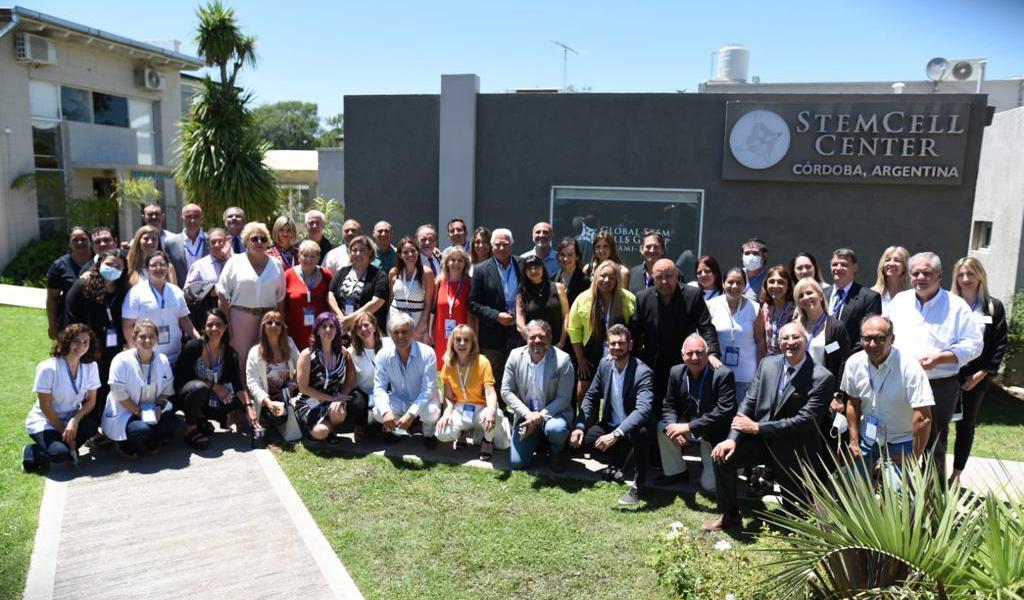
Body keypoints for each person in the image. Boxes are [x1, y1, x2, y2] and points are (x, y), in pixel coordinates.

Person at [705, 322, 833, 531]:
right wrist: (731, 439)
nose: (790, 342)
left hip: (795, 450)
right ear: (779, 342)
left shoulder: (822, 378)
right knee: (722, 457)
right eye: (785, 338)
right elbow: (748, 403)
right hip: (762, 443)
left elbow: (804, 421)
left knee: (797, 520)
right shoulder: (767, 364)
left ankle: (801, 511)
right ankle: (730, 516)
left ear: (806, 341)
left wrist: (758, 427)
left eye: (796, 337)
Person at [888, 251, 983, 482]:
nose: (920, 278)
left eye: (927, 273)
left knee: (935, 443)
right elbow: (886, 334)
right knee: (897, 437)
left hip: (939, 385)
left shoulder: (957, 306)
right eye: (915, 273)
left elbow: (974, 344)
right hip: (900, 382)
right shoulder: (899, 301)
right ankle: (896, 492)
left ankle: (933, 497)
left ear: (939, 276)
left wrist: (941, 358)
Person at [843, 316, 934, 486]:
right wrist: (854, 441)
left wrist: (913, 457)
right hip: (867, 439)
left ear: (892, 339)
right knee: (853, 489)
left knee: (895, 494)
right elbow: (853, 404)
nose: (872, 344)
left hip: (900, 442)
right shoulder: (854, 363)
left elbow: (923, 418)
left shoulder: (909, 367)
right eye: (867, 338)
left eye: (880, 338)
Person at [570, 324, 654, 505]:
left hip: (632, 428)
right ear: (607, 346)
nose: (616, 347)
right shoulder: (605, 365)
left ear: (630, 345)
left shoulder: (643, 372)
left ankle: (639, 485)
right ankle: (623, 455)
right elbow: (591, 396)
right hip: (610, 424)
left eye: (621, 343)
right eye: (612, 343)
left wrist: (616, 434)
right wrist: (580, 426)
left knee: (642, 433)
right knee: (584, 442)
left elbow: (643, 410)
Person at [630, 258, 720, 414]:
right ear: (652, 279)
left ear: (677, 275)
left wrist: (712, 353)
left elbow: (706, 327)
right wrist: (627, 356)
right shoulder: (642, 298)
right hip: (653, 365)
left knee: (683, 411)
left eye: (669, 276)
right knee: (653, 412)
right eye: (659, 277)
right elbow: (634, 333)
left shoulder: (693, 295)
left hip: (684, 364)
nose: (664, 281)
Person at [950, 257, 1008, 483]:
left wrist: (980, 375)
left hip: (977, 376)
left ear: (980, 276)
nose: (966, 279)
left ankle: (956, 475)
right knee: (936, 424)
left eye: (971, 274)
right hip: (948, 373)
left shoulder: (993, 307)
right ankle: (931, 472)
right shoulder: (949, 304)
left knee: (966, 426)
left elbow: (999, 345)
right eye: (961, 274)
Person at [656, 334, 737, 489]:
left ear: (707, 354)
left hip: (714, 434)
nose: (695, 358)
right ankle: (676, 472)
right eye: (690, 353)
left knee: (710, 486)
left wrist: (687, 427)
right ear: (682, 356)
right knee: (663, 427)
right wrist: (673, 430)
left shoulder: (723, 374)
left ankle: (734, 466)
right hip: (690, 427)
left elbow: (723, 412)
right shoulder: (676, 372)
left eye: (699, 353)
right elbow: (669, 405)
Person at [23, 324, 101, 472]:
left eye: (86, 342)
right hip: (46, 421)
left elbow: (91, 401)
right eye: (76, 341)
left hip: (70, 419)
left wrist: (75, 420)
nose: (81, 346)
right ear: (66, 342)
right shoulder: (48, 368)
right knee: (60, 455)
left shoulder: (91, 366)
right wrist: (63, 430)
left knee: (92, 424)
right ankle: (32, 451)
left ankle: (66, 447)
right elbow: (45, 406)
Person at [63, 250, 130, 420]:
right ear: (99, 264)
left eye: (118, 266)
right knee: (91, 386)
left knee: (110, 383)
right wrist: (78, 345)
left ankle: (107, 422)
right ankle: (89, 423)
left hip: (114, 347)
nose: (113, 268)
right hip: (88, 348)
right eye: (109, 264)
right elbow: (71, 319)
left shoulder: (124, 290)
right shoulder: (83, 286)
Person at [501, 319, 575, 471]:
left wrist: (539, 416)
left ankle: (556, 451)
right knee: (517, 463)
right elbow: (506, 391)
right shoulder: (515, 356)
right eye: (532, 337)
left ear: (550, 338)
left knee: (556, 429)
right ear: (526, 338)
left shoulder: (563, 360)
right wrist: (527, 414)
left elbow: (564, 398)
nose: (537, 341)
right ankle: (537, 439)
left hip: (554, 415)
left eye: (542, 336)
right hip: (526, 416)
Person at [174, 309, 253, 449]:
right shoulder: (193, 347)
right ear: (204, 327)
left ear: (226, 327)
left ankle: (202, 418)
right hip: (188, 395)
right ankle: (191, 429)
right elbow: (181, 379)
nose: (214, 328)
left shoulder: (230, 353)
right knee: (199, 389)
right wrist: (214, 386)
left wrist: (249, 408)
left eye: (219, 324)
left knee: (239, 400)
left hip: (212, 397)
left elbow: (237, 384)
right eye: (210, 325)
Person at [793, 277, 851, 463]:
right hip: (800, 392)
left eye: (809, 292)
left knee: (825, 442)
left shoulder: (835, 327)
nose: (806, 298)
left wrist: (838, 395)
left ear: (820, 295)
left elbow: (843, 362)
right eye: (801, 295)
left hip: (826, 393)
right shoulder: (796, 326)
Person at [216, 222, 287, 373]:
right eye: (254, 239)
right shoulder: (234, 262)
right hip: (240, 320)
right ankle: (242, 389)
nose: (259, 242)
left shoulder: (276, 264)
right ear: (246, 241)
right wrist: (227, 325)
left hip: (268, 321)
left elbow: (280, 298)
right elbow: (222, 295)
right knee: (241, 361)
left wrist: (281, 323)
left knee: (266, 360)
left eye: (263, 239)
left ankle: (264, 388)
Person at [104, 319, 178, 458]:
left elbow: (167, 389)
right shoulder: (121, 360)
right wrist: (139, 412)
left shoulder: (162, 359)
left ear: (157, 339)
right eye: (142, 336)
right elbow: (118, 393)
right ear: (134, 338)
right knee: (141, 430)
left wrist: (159, 407)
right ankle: (124, 445)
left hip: (151, 408)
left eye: (151, 336)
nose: (147, 340)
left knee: (172, 423)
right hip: (126, 411)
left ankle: (149, 442)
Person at [436, 325, 511, 459]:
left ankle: (487, 440)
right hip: (460, 409)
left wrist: (492, 410)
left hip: (481, 408)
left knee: (501, 440)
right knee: (441, 433)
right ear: (452, 343)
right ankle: (463, 432)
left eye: (466, 340)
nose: (462, 343)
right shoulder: (448, 364)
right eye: (458, 340)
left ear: (472, 343)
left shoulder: (482, 361)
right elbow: (448, 397)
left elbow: (490, 391)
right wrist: (446, 413)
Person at [568, 260, 637, 402]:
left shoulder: (628, 298)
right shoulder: (583, 299)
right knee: (583, 394)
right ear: (596, 276)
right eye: (603, 276)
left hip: (620, 353)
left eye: (612, 277)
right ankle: (585, 418)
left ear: (618, 279)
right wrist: (580, 359)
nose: (607, 280)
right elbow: (574, 330)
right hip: (590, 354)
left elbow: (635, 329)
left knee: (619, 396)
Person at [295, 312, 366, 440]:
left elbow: (350, 378)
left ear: (337, 330)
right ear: (317, 331)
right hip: (309, 401)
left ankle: (329, 430)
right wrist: (331, 398)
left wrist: (340, 397)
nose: (328, 329)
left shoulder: (342, 352)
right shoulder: (307, 354)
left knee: (339, 413)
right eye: (324, 326)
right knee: (321, 432)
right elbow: (303, 388)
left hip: (333, 399)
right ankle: (317, 430)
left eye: (332, 326)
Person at [372, 313, 441, 442]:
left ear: (413, 332)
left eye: (404, 331)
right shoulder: (383, 355)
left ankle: (429, 434)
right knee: (378, 412)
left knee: (431, 413)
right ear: (390, 335)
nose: (400, 336)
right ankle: (398, 431)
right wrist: (386, 412)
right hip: (400, 398)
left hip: (424, 399)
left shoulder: (427, 353)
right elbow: (379, 388)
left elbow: (428, 390)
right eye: (396, 332)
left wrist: (411, 414)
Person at [122, 251, 195, 366]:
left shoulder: (176, 291)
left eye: (162, 264)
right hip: (147, 358)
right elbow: (127, 324)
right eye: (153, 265)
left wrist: (198, 339)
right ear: (147, 269)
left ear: (167, 267)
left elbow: (184, 320)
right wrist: (135, 349)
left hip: (175, 356)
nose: (158, 268)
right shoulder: (136, 292)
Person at [469, 228, 521, 378]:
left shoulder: (522, 265)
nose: (501, 248)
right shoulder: (481, 270)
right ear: (492, 246)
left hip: (519, 334)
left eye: (505, 244)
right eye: (497, 245)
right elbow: (473, 303)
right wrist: (496, 316)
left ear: (511, 245)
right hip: (492, 336)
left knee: (518, 378)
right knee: (492, 379)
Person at [246, 311, 302, 440]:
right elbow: (252, 382)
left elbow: (301, 367)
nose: (273, 326)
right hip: (267, 400)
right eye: (269, 322)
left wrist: (293, 384)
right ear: (263, 327)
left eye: (278, 323)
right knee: (278, 417)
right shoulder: (254, 352)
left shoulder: (289, 344)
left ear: (282, 328)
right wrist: (267, 401)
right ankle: (269, 422)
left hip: (288, 395)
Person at [706, 267, 761, 400]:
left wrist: (760, 371)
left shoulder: (754, 308)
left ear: (745, 285)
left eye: (739, 283)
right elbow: (704, 337)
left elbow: (760, 341)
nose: (734, 286)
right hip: (718, 372)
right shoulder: (711, 305)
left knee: (742, 412)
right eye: (730, 282)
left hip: (746, 375)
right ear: (723, 283)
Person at [329, 235, 389, 335]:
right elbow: (330, 295)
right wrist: (341, 317)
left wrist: (350, 319)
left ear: (370, 252)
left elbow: (377, 302)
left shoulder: (379, 275)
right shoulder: (342, 272)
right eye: (354, 250)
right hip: (343, 329)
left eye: (362, 250)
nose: (358, 253)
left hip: (367, 331)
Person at [827, 248, 882, 351]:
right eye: (834, 264)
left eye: (844, 265)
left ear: (855, 268)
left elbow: (867, 335)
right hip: (819, 357)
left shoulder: (869, 298)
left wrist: (829, 350)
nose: (838, 268)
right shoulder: (821, 294)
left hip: (851, 357)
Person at [284, 240, 334, 350]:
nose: (308, 260)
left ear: (318, 258)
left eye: (313, 256)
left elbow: (332, 301)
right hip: (295, 331)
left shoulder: (326, 275)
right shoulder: (288, 275)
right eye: (305, 255)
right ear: (299, 256)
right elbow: (282, 304)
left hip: (321, 331)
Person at [46, 226, 93, 339]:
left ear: (90, 241)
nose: (80, 242)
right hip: (69, 319)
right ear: (69, 244)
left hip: (95, 319)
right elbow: (52, 298)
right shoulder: (59, 266)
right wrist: (52, 326)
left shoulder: (100, 261)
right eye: (75, 240)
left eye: (83, 239)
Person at [431, 246, 474, 367]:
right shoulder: (439, 282)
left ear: (465, 264)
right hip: (441, 334)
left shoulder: (470, 283)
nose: (456, 263)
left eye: (460, 260)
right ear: (447, 262)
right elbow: (432, 309)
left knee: (460, 369)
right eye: (453, 260)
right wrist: (429, 332)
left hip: (462, 336)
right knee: (442, 369)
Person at [516, 254, 570, 349]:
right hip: (534, 346)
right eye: (529, 269)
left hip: (557, 344)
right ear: (525, 272)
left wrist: (561, 342)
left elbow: (566, 317)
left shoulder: (558, 288)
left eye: (536, 267)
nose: (533, 271)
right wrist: (530, 338)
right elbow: (520, 321)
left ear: (543, 268)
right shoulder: (522, 293)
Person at [348, 312, 391, 431]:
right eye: (358, 327)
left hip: (386, 392)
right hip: (364, 395)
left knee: (375, 423)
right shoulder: (351, 352)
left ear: (374, 327)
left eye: (366, 325)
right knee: (358, 403)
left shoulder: (389, 344)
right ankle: (359, 426)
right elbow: (348, 381)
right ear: (356, 332)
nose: (363, 329)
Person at [183, 228, 231, 331]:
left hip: (234, 318)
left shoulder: (238, 262)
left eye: (220, 241)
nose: (217, 245)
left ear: (227, 242)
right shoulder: (199, 266)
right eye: (213, 242)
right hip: (209, 321)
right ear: (208, 246)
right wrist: (209, 290)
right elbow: (187, 293)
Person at [389, 237, 435, 342]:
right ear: (400, 255)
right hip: (395, 321)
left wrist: (420, 328)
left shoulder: (426, 273)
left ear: (418, 253)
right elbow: (391, 298)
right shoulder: (394, 272)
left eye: (413, 251)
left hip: (417, 322)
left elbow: (428, 304)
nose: (410, 254)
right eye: (405, 252)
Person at [754, 265, 795, 357]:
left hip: (789, 359)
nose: (775, 286)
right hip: (770, 360)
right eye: (771, 282)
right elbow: (761, 340)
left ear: (788, 286)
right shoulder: (765, 308)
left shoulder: (795, 309)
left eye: (780, 282)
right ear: (766, 284)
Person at [163, 203, 207, 284]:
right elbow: (168, 270)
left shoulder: (210, 241)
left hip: (207, 289)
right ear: (182, 218)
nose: (192, 220)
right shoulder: (171, 243)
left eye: (196, 216)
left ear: (202, 219)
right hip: (181, 289)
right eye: (188, 217)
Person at [871, 246, 912, 315]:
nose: (891, 263)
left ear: (905, 267)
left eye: (897, 260)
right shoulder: (872, 294)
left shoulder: (913, 295)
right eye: (887, 260)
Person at [551, 237, 591, 306]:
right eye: (562, 255)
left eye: (570, 255)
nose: (565, 259)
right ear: (558, 256)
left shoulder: (585, 281)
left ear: (577, 257)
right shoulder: (553, 278)